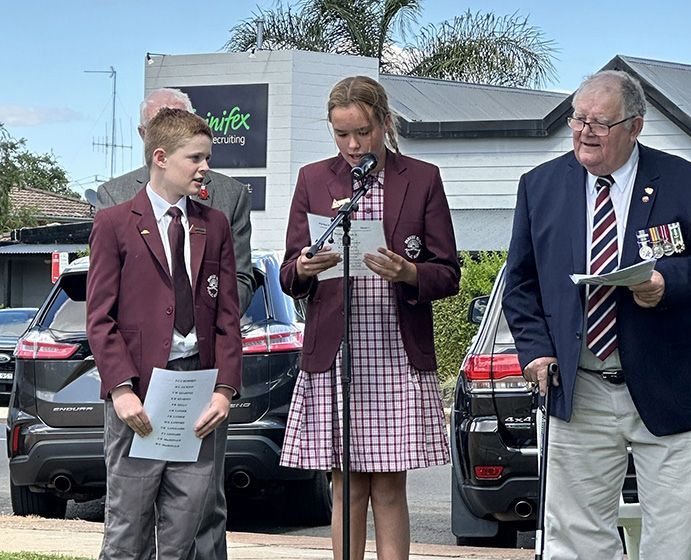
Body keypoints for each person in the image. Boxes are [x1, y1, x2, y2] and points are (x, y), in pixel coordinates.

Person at [502, 70, 691, 559]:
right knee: (577, 539)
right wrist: (536, 351)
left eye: (600, 123)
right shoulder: (539, 186)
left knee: (672, 542)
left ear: (635, 126)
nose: (584, 132)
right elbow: (521, 283)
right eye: (578, 119)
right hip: (579, 388)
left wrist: (666, 284)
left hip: (671, 385)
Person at [279, 75, 460, 560]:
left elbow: (448, 273)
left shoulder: (422, 178)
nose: (353, 145)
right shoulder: (313, 179)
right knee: (347, 485)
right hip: (336, 353)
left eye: (363, 132)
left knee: (388, 486)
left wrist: (409, 272)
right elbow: (289, 272)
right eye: (342, 134)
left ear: (384, 122)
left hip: (395, 351)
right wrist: (304, 268)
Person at [96, 87, 254, 560]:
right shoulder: (114, 222)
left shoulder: (215, 224)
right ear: (161, 158)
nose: (205, 168)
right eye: (196, 158)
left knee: (187, 524)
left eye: (207, 158)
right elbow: (100, 317)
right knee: (128, 526)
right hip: (139, 390)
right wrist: (120, 390)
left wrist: (224, 391)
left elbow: (227, 316)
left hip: (197, 390)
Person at [96, 88, 255, 316]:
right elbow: (106, 293)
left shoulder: (231, 196)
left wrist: (212, 327)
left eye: (181, 121)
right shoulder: (114, 196)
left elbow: (240, 278)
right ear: (143, 134)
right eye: (160, 124)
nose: (173, 129)